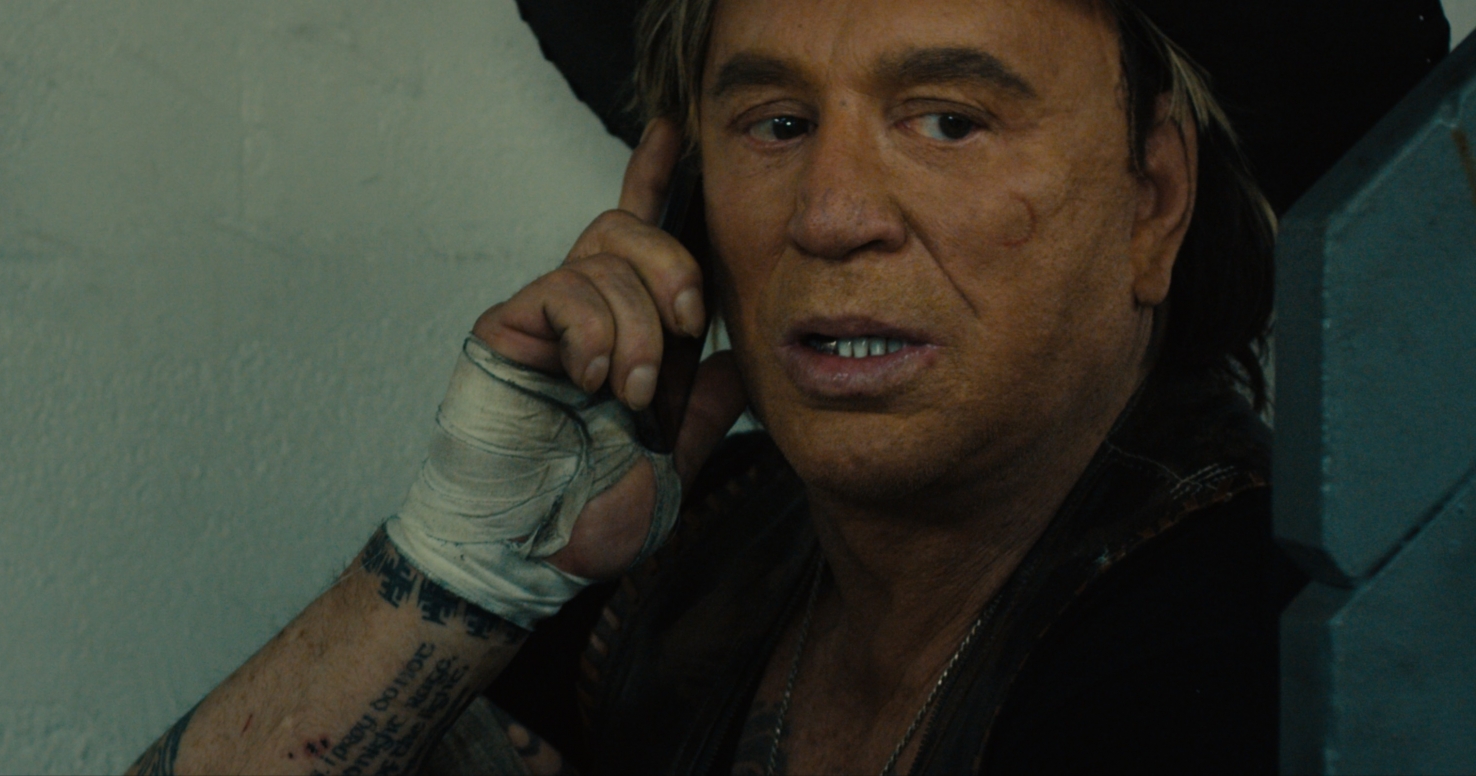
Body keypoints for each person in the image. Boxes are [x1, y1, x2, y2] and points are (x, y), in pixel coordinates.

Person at [126, 0, 1445, 773]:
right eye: (776, 124)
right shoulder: (693, 550)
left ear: (1152, 200)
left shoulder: (1260, 652)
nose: (830, 214)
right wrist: (464, 562)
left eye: (948, 121)